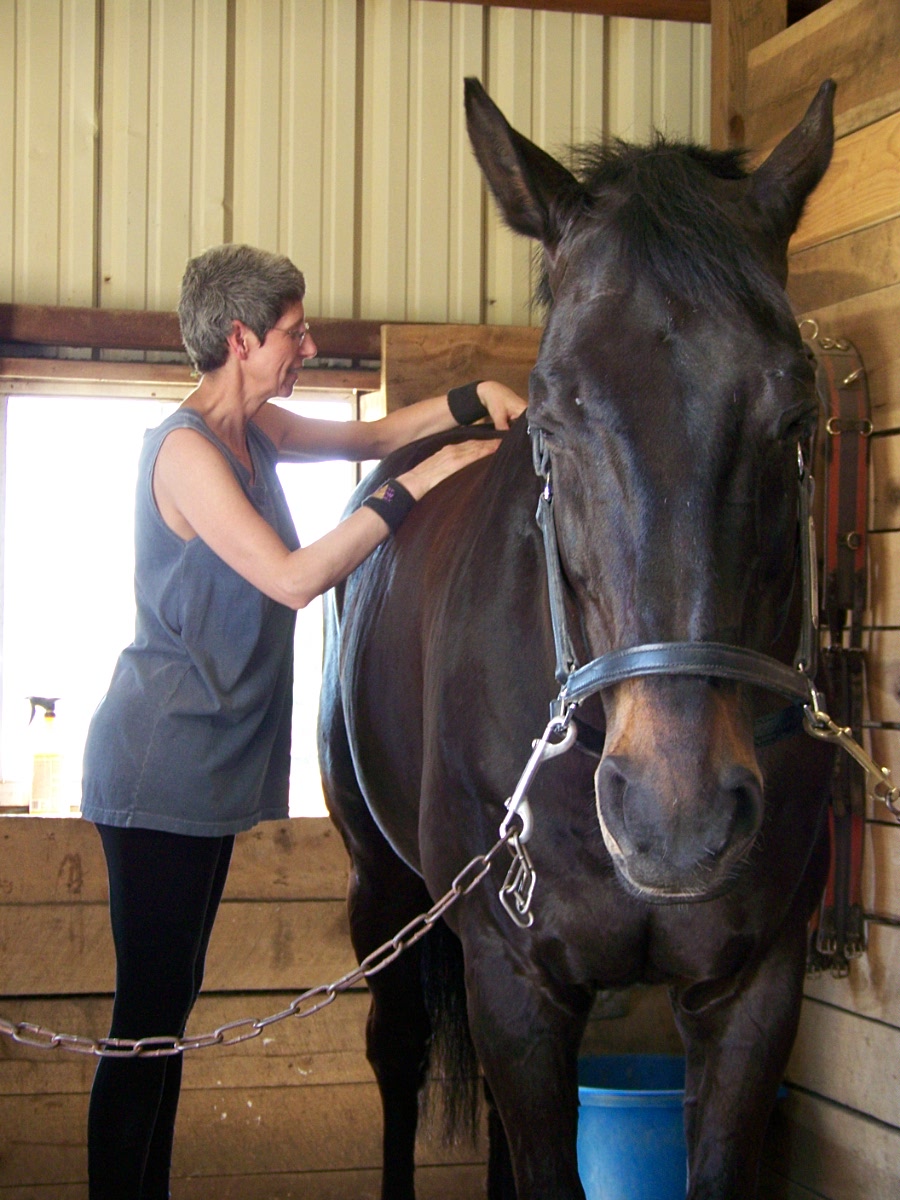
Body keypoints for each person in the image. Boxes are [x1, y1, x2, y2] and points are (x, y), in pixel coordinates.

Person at [80, 241, 526, 1199]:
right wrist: (428, 480)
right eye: (294, 331)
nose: (309, 344)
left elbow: (368, 440)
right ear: (241, 338)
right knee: (147, 1020)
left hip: (204, 771)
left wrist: (471, 398)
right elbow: (292, 580)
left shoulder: (253, 427)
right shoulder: (190, 451)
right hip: (158, 768)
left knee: (167, 1015)